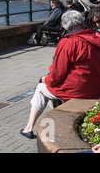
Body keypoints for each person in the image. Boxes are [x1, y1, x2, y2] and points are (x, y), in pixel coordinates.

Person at [20, 10, 100, 139]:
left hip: (79, 90)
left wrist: (45, 79)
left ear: (66, 26)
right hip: (96, 88)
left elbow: (57, 74)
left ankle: (28, 128)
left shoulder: (69, 42)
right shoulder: (96, 36)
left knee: (41, 88)